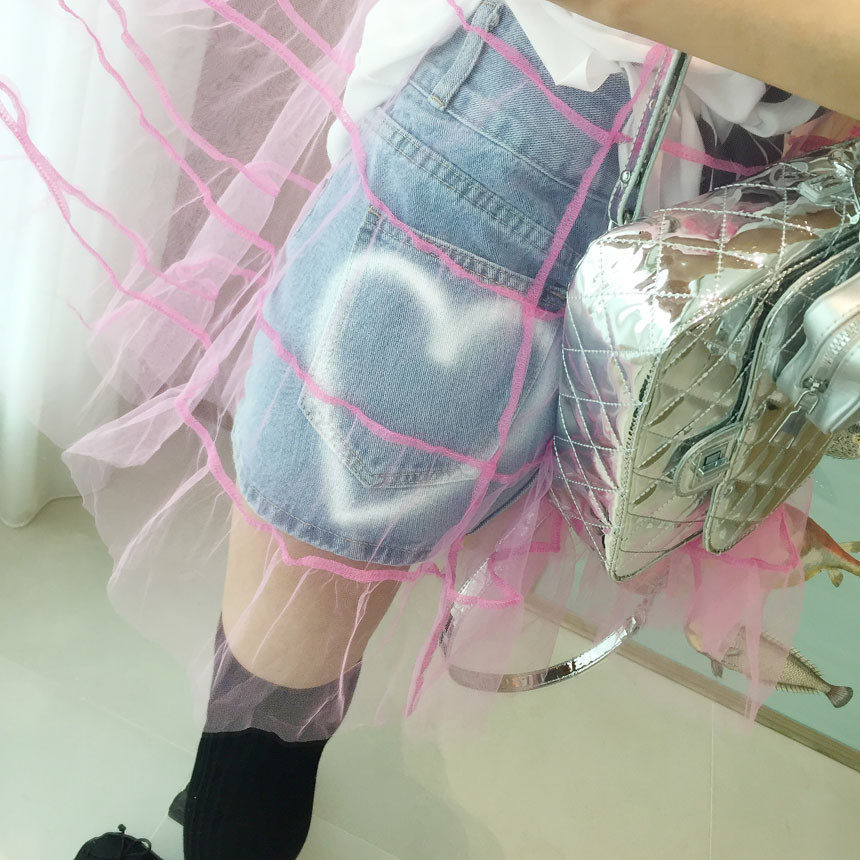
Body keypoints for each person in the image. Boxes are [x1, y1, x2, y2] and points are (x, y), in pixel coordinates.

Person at [3, 2, 855, 859]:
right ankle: (230, 798)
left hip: (494, 163)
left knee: (290, 619)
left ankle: (233, 824)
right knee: (320, 597)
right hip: (660, 207)